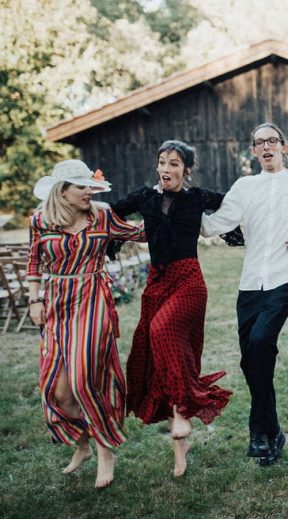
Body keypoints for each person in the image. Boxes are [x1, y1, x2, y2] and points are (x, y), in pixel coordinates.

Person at [201, 122, 288, 464]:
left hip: (286, 278)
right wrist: (182, 207)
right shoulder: (245, 186)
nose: (267, 147)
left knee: (259, 343)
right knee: (251, 358)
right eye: (260, 143)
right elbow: (216, 224)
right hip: (250, 283)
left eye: (272, 140)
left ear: (284, 147)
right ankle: (273, 431)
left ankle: (258, 430)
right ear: (254, 151)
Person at [111, 140, 233, 477]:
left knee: (161, 330)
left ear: (187, 169)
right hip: (156, 284)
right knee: (157, 361)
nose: (167, 168)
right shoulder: (145, 198)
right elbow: (110, 214)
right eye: (163, 162)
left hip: (189, 282)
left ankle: (182, 411)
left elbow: (239, 205)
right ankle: (180, 448)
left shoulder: (198, 198)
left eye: (175, 163)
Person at [27, 159, 145, 488]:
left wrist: (173, 214)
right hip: (55, 301)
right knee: (57, 389)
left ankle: (105, 448)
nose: (88, 192)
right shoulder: (41, 220)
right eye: (81, 187)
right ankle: (82, 445)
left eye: (89, 187)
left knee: (83, 379)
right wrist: (34, 299)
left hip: (92, 296)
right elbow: (34, 259)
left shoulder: (102, 214)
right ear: (61, 192)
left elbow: (137, 232)